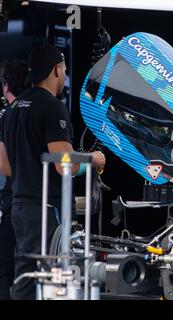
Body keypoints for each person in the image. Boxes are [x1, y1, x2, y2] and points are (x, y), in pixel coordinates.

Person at [0, 44, 106, 299]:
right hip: (48, 210)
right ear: (56, 69)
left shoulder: (12, 110)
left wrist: (31, 169)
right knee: (54, 278)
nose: (65, 76)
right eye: (65, 70)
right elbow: (64, 164)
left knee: (26, 278)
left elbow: (5, 165)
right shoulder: (51, 107)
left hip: (19, 208)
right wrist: (94, 159)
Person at [0, 59, 29, 300]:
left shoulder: (6, 116)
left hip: (10, 200)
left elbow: (5, 167)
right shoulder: (37, 110)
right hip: (34, 202)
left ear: (6, 86)